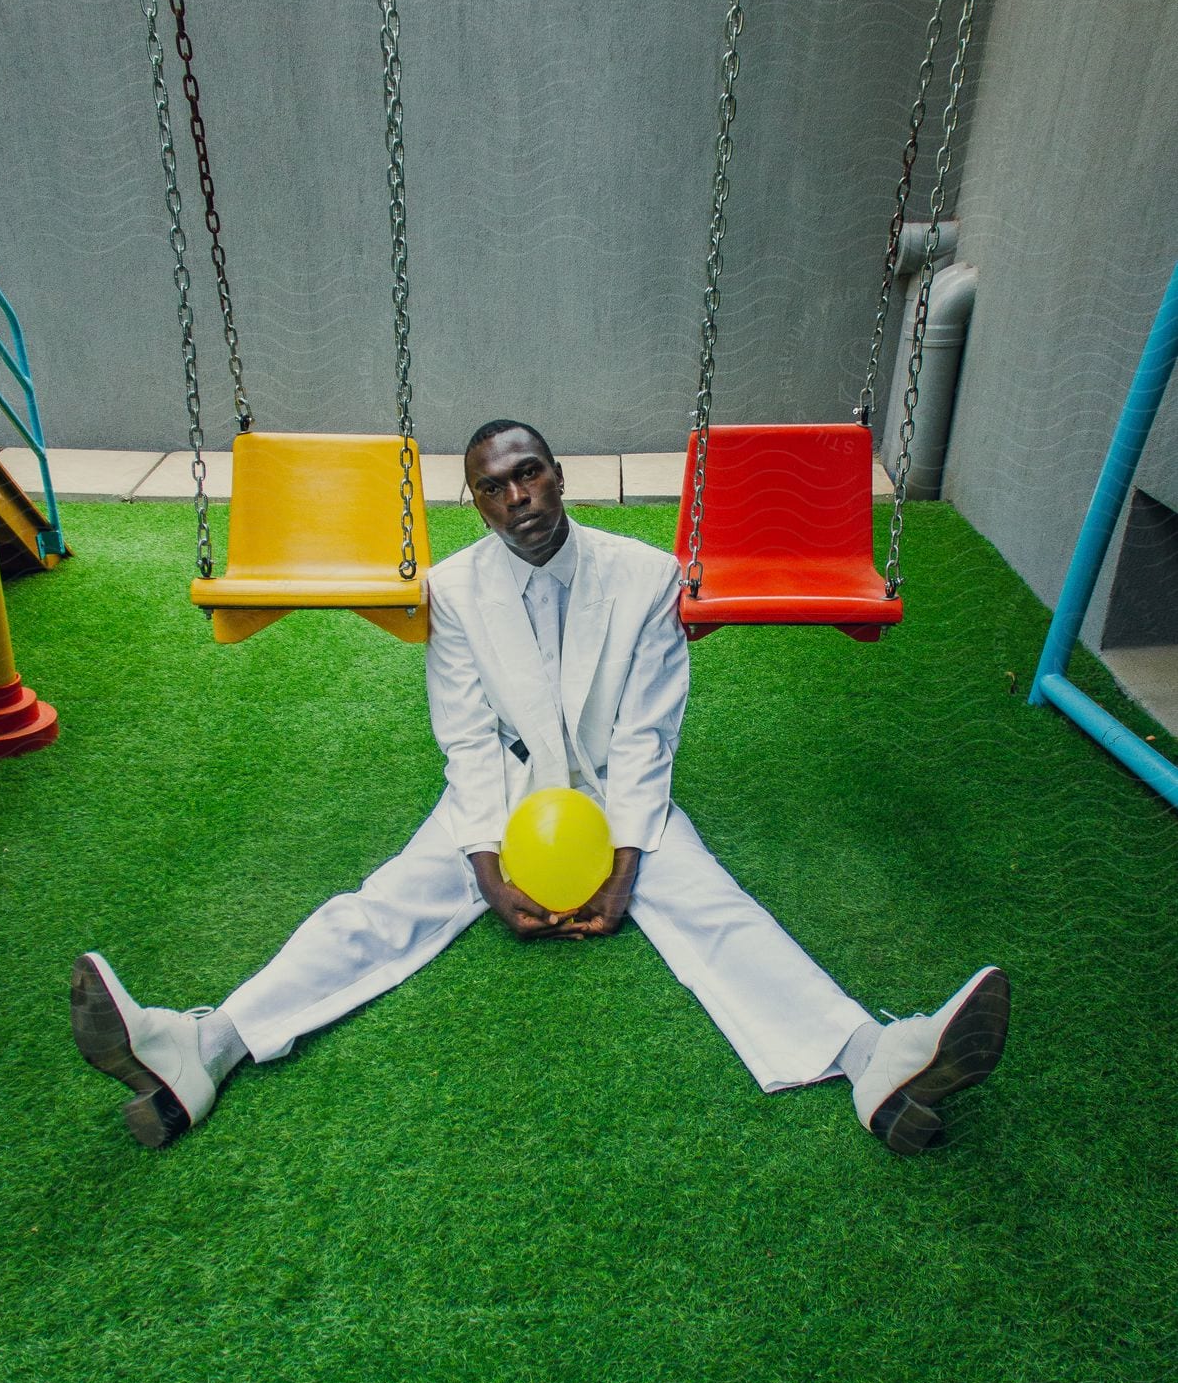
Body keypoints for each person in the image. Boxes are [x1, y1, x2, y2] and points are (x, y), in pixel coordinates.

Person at [71, 419, 1010, 1154]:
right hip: (503, 798)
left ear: (557, 474)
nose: (518, 498)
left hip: (615, 796)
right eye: (493, 486)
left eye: (530, 473)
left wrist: (629, 860)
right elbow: (466, 735)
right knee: (378, 905)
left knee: (716, 906)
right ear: (475, 502)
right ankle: (204, 1047)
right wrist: (482, 860)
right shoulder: (450, 589)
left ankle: (872, 1061)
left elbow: (647, 733)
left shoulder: (646, 576)